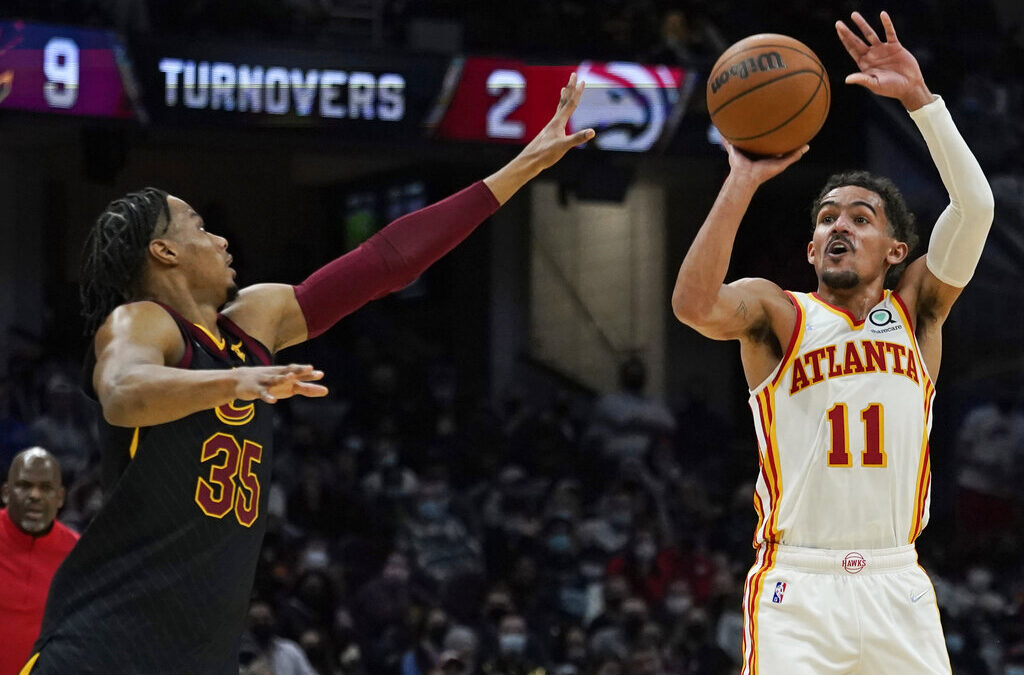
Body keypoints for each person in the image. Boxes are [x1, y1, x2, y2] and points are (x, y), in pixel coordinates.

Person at [22, 75, 596, 675]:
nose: (220, 237)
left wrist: (522, 167)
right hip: (99, 649)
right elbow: (122, 393)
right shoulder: (143, 322)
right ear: (163, 253)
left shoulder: (256, 321)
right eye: (197, 226)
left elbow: (385, 263)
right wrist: (234, 384)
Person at [671, 11, 993, 675]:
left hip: (895, 578)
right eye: (826, 218)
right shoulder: (777, 311)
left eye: (860, 216)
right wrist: (741, 181)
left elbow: (976, 208)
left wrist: (921, 103)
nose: (839, 224)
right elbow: (693, 305)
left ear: (896, 249)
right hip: (799, 582)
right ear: (813, 247)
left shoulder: (919, 310)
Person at [0, 448, 78, 675]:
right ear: (6, 493)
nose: (35, 495)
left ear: (60, 497)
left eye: (46, 488)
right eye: (24, 486)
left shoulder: (77, 553)